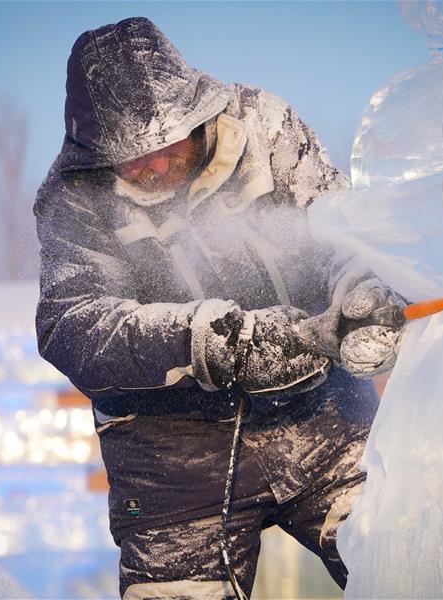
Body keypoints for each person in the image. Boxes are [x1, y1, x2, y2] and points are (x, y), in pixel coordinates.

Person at [34, 16, 405, 599]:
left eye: (166, 145)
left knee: (411, 562)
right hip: (168, 460)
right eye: (132, 159)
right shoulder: (74, 198)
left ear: (197, 114)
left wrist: (362, 293)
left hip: (324, 422)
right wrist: (215, 342)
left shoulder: (266, 127)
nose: (153, 165)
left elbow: (339, 231)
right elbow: (71, 326)